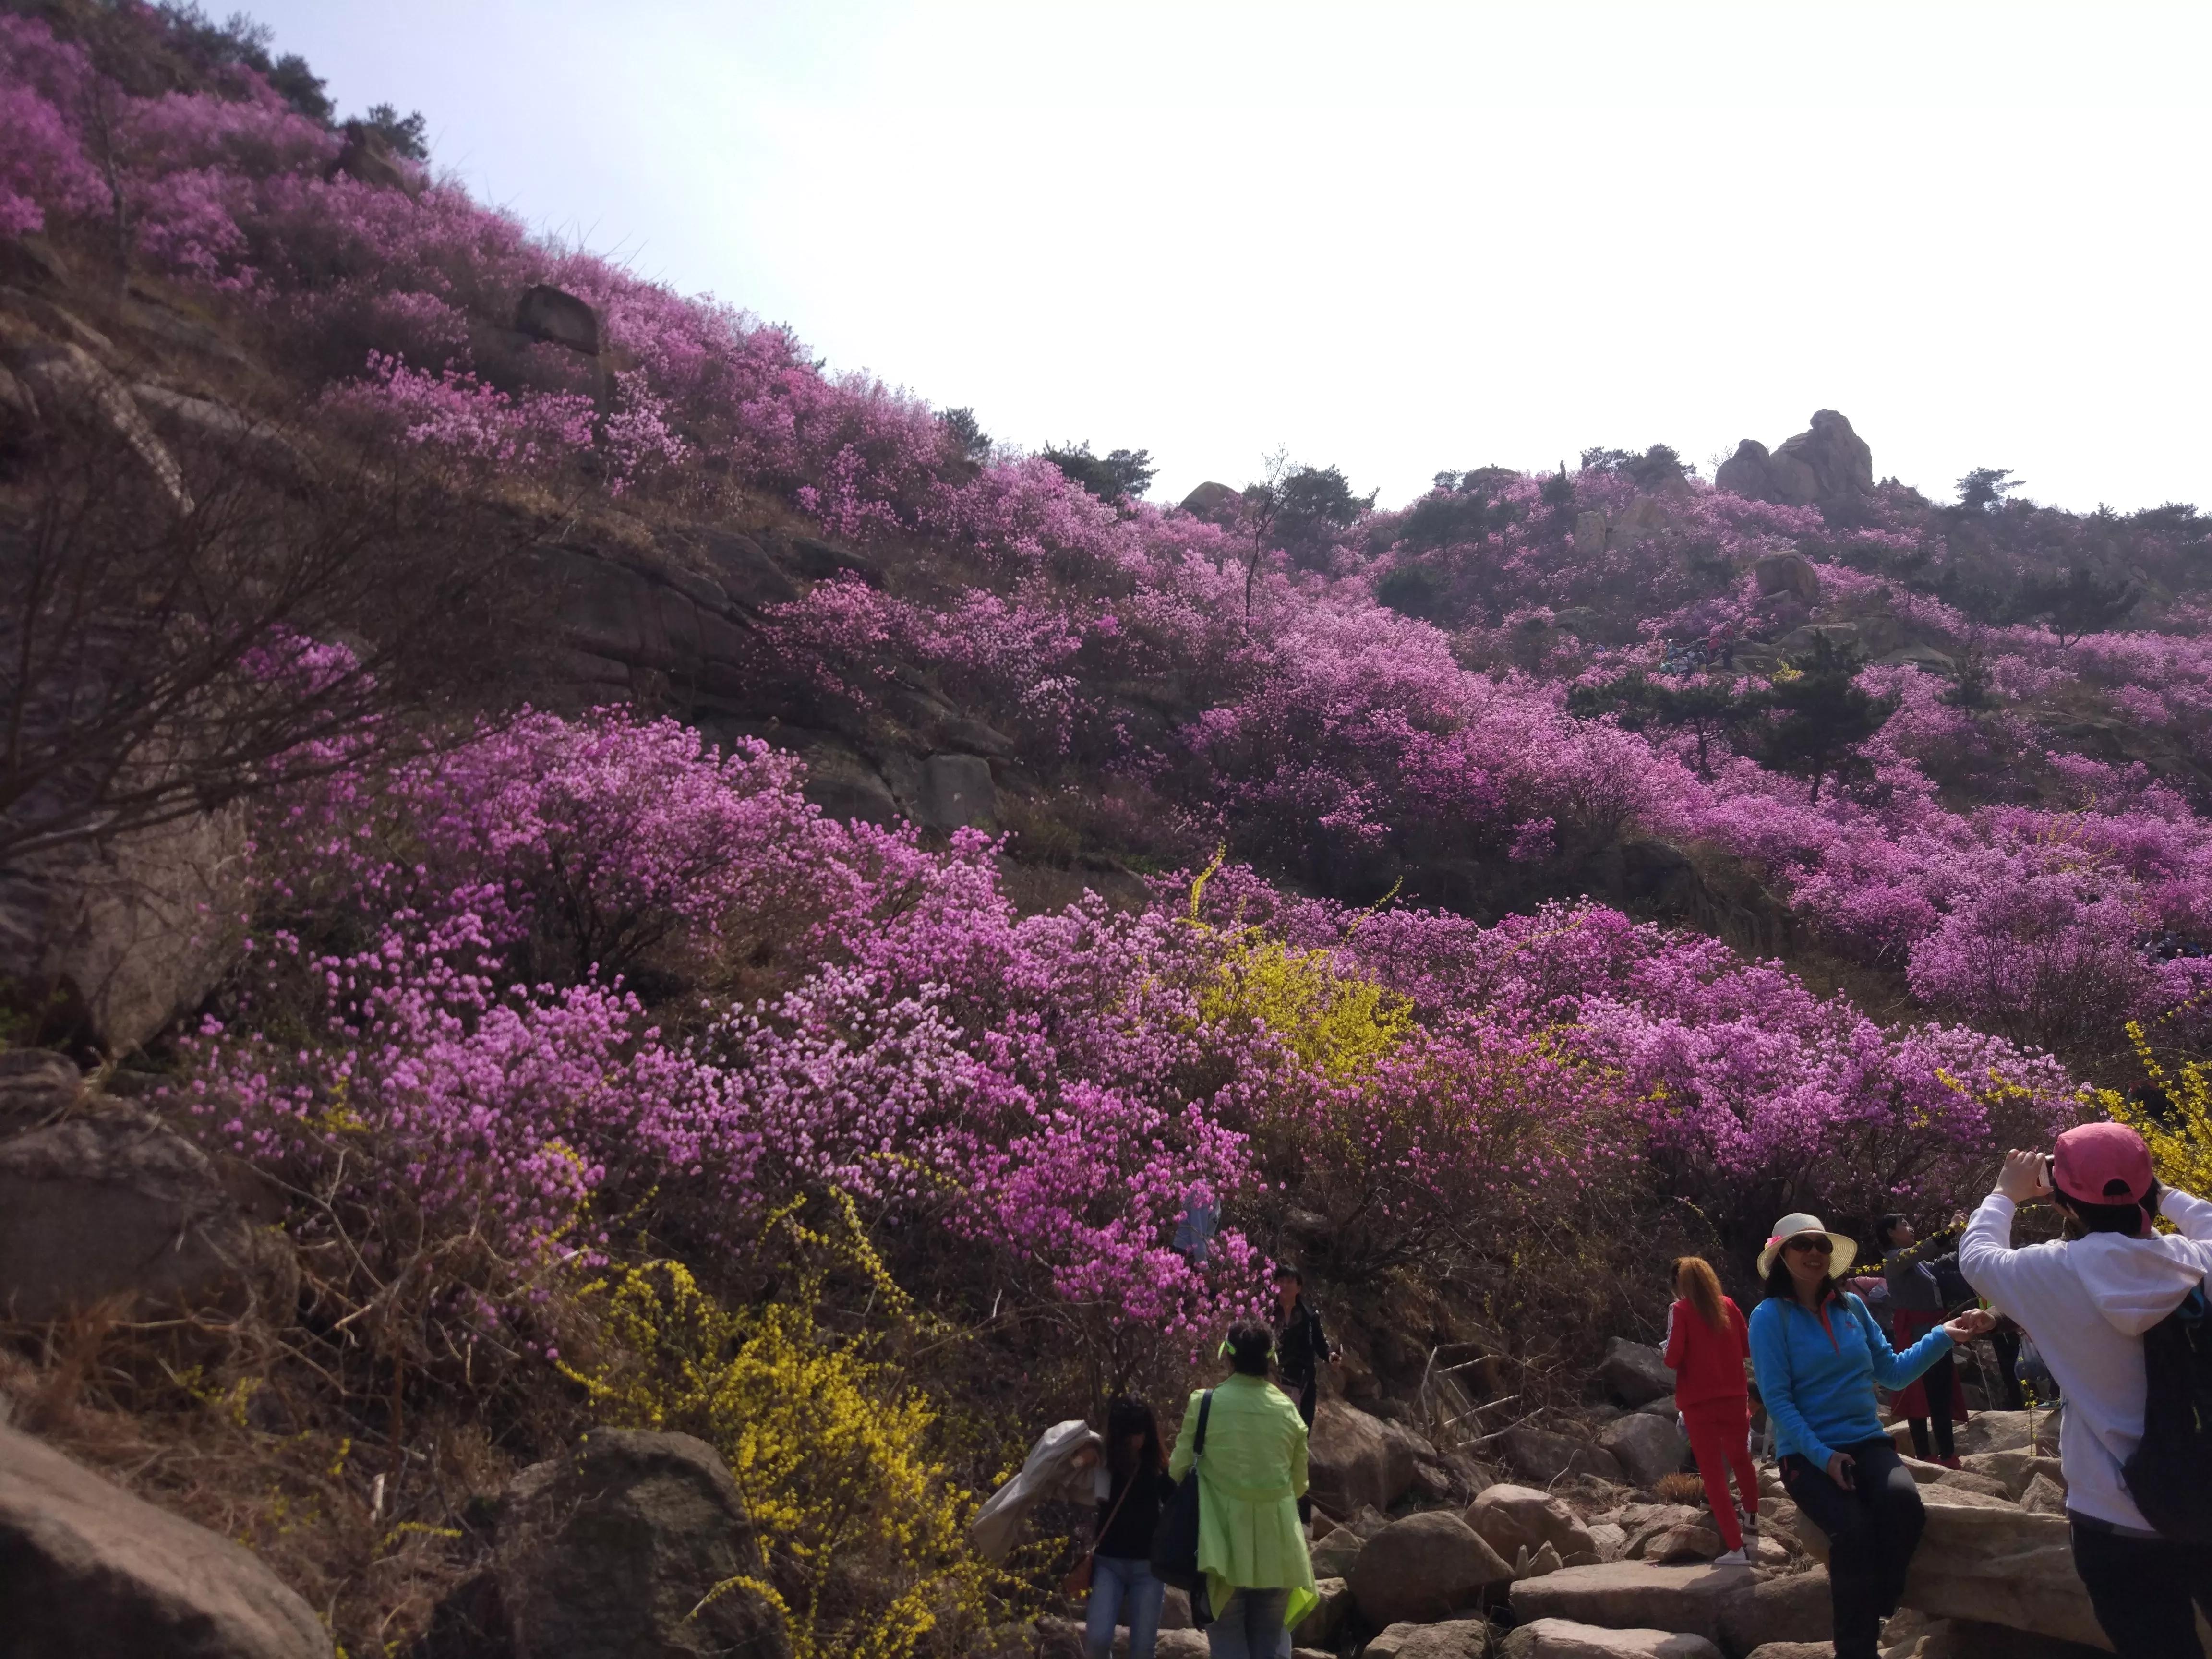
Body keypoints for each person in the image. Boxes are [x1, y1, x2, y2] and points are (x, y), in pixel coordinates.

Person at [1957, 1131, 2212, 1659]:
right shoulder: (2194, 1262)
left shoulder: (2050, 1270)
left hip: (2112, 1517)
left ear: (2064, 1202)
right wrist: (2162, 1192)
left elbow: (1977, 1256)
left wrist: (2006, 1192)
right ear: (2146, 1192)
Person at [1749, 1212, 1994, 1659]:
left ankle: (1880, 1600)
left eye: (1822, 1245)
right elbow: (1778, 1402)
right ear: (1782, 1255)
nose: (1814, 1253)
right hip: (1805, 1453)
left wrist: (1944, 1336)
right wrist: (1825, 1458)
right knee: (1853, 1534)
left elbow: (1893, 1373)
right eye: (1802, 1245)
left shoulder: (1853, 1308)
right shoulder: (1769, 1318)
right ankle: (1857, 1650)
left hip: (1866, 1441)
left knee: (1904, 1506)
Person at [1169, 1319, 1317, 1659]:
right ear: (1271, 1359)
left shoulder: (1204, 1404)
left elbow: (1178, 1470)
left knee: (1228, 1646)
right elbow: (1299, 1486)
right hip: (1280, 1551)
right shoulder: (1288, 1411)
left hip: (1221, 1550)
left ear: (1228, 1356)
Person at [1663, 1255, 1760, 1565]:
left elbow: (1672, 1358)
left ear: (1681, 1284)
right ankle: (1752, 1523)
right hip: (1735, 1397)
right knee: (1742, 1460)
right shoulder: (1728, 1305)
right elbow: (1747, 1347)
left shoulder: (1680, 1310)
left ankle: (1736, 1549)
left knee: (1713, 1474)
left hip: (1699, 1403)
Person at [1875, 1211, 1970, 1467]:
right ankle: (1927, 1454)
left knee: (1939, 1391)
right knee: (1921, 1393)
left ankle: (1946, 1454)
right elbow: (1923, 1250)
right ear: (1890, 1233)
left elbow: (1940, 1263)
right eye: (1903, 1224)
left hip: (1933, 1329)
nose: (1910, 1227)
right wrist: (1950, 1230)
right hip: (1916, 1334)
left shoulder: (1914, 1263)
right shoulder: (1896, 1260)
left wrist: (1968, 1238)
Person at [1084, 1399, 1177, 1659]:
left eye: (1142, 1432)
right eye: (1131, 1433)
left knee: (1143, 1649)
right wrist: (1083, 1454)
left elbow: (1176, 1505)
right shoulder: (1103, 1462)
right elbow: (1065, 1455)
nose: (1137, 1439)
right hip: (1108, 1563)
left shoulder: (1158, 1468)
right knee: (1097, 1641)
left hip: (1148, 1568)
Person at [1272, 1265, 1334, 1524]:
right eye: (1280, 1280)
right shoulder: (1267, 1312)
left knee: (1298, 1444)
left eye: (1290, 1281)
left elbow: (1322, 1347)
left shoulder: (1309, 1316)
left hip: (1303, 1387)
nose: (1284, 1286)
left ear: (1299, 1287)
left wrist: (1332, 1356)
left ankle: (1301, 1511)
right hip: (1274, 1387)